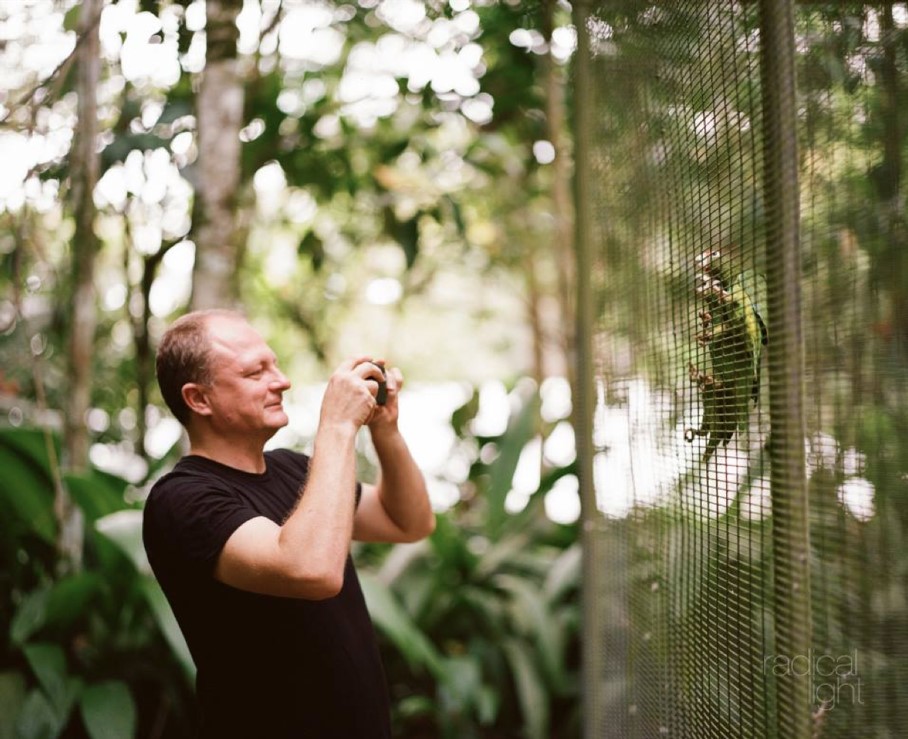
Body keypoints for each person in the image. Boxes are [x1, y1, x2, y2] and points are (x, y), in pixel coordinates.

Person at [142, 309, 435, 738]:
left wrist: (385, 430)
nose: (280, 381)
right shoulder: (182, 499)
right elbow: (310, 569)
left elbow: (407, 522)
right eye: (255, 372)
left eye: (274, 364)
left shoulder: (296, 472)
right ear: (198, 399)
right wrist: (336, 426)